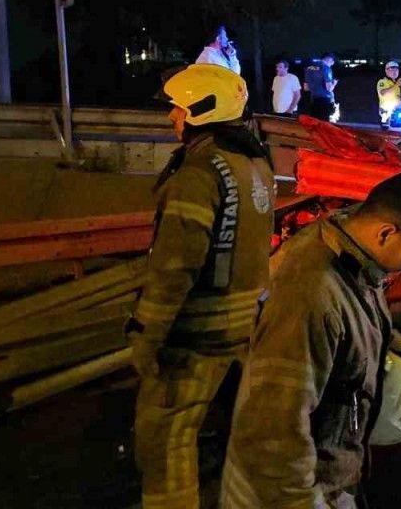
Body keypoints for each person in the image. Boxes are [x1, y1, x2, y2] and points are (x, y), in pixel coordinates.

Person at [220, 173, 401, 509]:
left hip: (326, 480)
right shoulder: (312, 296)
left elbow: (360, 322)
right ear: (386, 233)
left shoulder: (351, 257)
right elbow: (276, 429)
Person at [126, 64, 275, 509]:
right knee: (239, 438)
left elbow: (174, 268)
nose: (172, 116)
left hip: (197, 337)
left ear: (201, 110)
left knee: (165, 441)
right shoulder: (254, 163)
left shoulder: (199, 172)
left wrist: (147, 335)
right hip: (246, 330)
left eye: (177, 108)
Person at [304, 53, 339, 121]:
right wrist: (334, 83)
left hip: (313, 99)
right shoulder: (326, 68)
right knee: (324, 123)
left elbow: (306, 88)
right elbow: (329, 88)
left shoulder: (309, 68)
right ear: (331, 61)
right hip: (324, 101)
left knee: (314, 122)